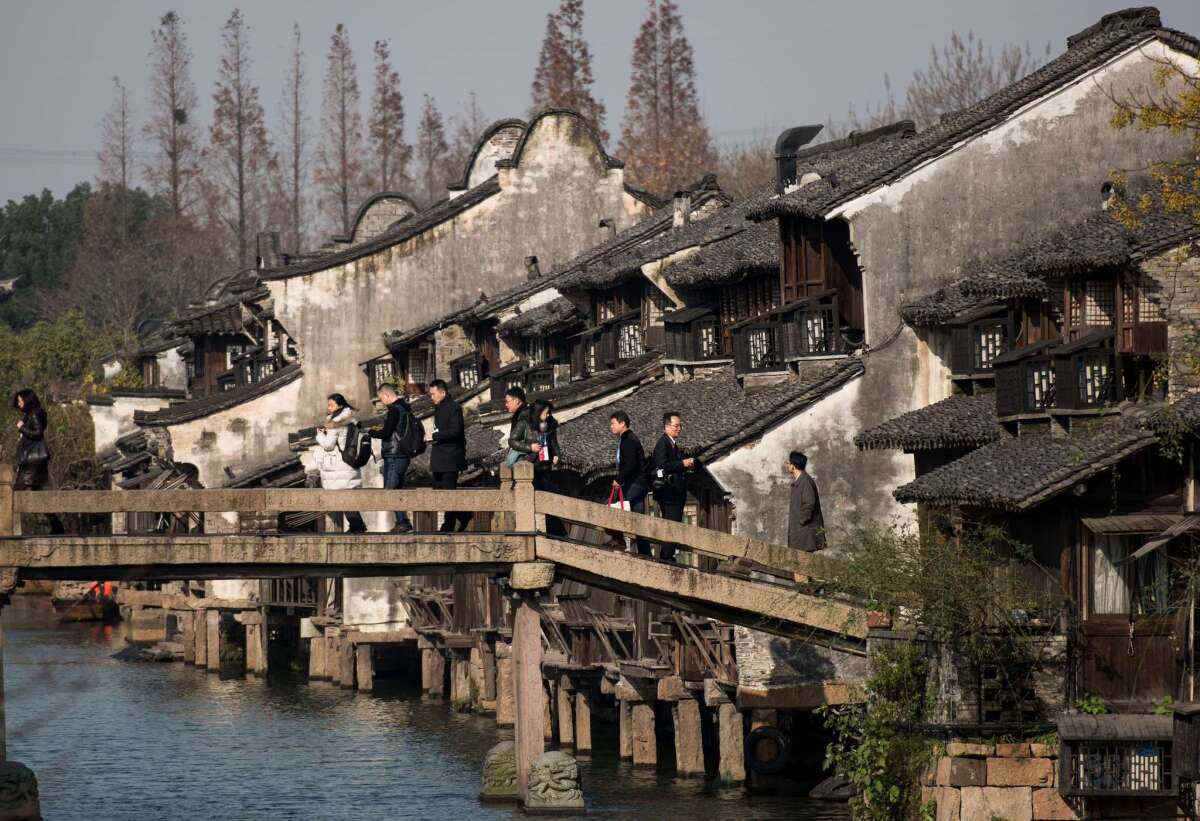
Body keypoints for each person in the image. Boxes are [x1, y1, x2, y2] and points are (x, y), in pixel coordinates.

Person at [12, 389, 63, 534]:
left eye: (21, 401)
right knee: (40, 494)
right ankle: (56, 525)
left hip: (31, 462)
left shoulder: (33, 414)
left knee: (13, 493)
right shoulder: (33, 414)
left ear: (28, 400)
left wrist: (21, 428)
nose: (19, 404)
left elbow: (38, 433)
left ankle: (9, 529)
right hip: (35, 460)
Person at [315, 393, 367, 533]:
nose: (329, 407)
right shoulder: (351, 419)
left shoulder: (336, 421)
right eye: (328, 404)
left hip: (339, 465)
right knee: (346, 496)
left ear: (340, 405)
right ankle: (356, 526)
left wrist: (319, 434)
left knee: (342, 497)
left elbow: (329, 445)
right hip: (349, 462)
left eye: (331, 405)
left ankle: (357, 526)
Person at [368, 383, 415, 534]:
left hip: (395, 454)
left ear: (387, 395)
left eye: (381, 398)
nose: (382, 402)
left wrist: (371, 433)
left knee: (391, 490)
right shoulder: (406, 409)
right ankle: (402, 522)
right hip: (402, 454)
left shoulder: (394, 410)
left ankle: (403, 522)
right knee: (397, 489)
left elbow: (386, 432)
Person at [651, 411, 695, 563]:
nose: (679, 429)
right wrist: (682, 463)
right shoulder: (663, 443)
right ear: (667, 426)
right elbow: (662, 466)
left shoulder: (672, 444)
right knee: (672, 525)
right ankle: (666, 557)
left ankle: (667, 555)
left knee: (673, 524)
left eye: (680, 426)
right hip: (669, 494)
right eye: (676, 426)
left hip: (674, 492)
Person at [429, 379, 471, 532]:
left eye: (433, 394)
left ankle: (448, 525)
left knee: (448, 492)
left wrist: (434, 436)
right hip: (440, 457)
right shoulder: (438, 408)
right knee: (438, 489)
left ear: (443, 392)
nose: (431, 397)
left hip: (451, 457)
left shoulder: (454, 408)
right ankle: (463, 515)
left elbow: (456, 431)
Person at [610, 410, 650, 555]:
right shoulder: (628, 439)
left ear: (622, 423)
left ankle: (618, 538)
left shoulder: (628, 440)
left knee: (617, 505)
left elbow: (631, 464)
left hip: (635, 482)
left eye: (613, 423)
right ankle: (645, 553)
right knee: (638, 518)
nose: (611, 427)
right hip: (639, 483)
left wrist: (619, 479)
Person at [530, 399, 565, 537]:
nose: (549, 415)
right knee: (537, 499)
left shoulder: (550, 426)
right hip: (533, 466)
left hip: (545, 466)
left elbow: (554, 443)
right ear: (539, 413)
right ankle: (541, 531)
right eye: (546, 412)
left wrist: (557, 455)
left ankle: (555, 532)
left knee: (548, 499)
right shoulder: (529, 427)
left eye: (549, 412)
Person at [787, 450, 825, 552]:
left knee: (804, 564)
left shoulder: (805, 481)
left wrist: (802, 521)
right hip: (802, 532)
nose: (788, 465)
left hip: (805, 532)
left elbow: (809, 503)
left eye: (789, 463)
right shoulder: (801, 480)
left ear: (793, 466)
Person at [503, 386, 538, 467]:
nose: (506, 405)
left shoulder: (525, 416)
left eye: (507, 402)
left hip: (528, 460)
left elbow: (532, 440)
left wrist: (529, 447)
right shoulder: (521, 414)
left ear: (517, 401)